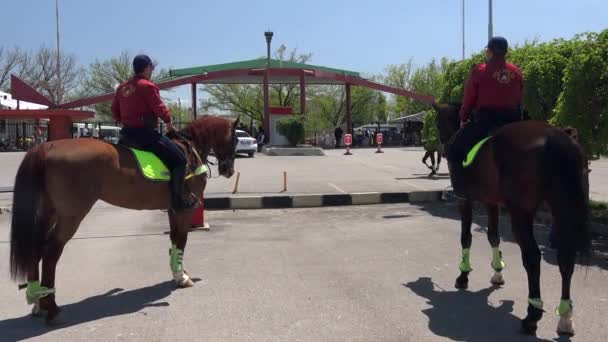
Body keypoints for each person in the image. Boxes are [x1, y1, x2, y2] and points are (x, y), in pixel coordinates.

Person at [111, 54, 196, 211]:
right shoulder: (147, 86)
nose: (152, 71)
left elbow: (114, 111)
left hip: (126, 135)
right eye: (152, 68)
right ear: (147, 68)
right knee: (180, 160)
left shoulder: (122, 88)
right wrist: (169, 123)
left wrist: (125, 119)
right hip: (145, 135)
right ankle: (178, 201)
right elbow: (160, 108)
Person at [447, 37, 524, 198]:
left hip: (486, 122)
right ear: (506, 52)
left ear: (489, 51)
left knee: (453, 149)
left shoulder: (480, 71)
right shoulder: (516, 72)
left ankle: (460, 191)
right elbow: (519, 99)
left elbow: (469, 99)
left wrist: (463, 117)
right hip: (513, 122)